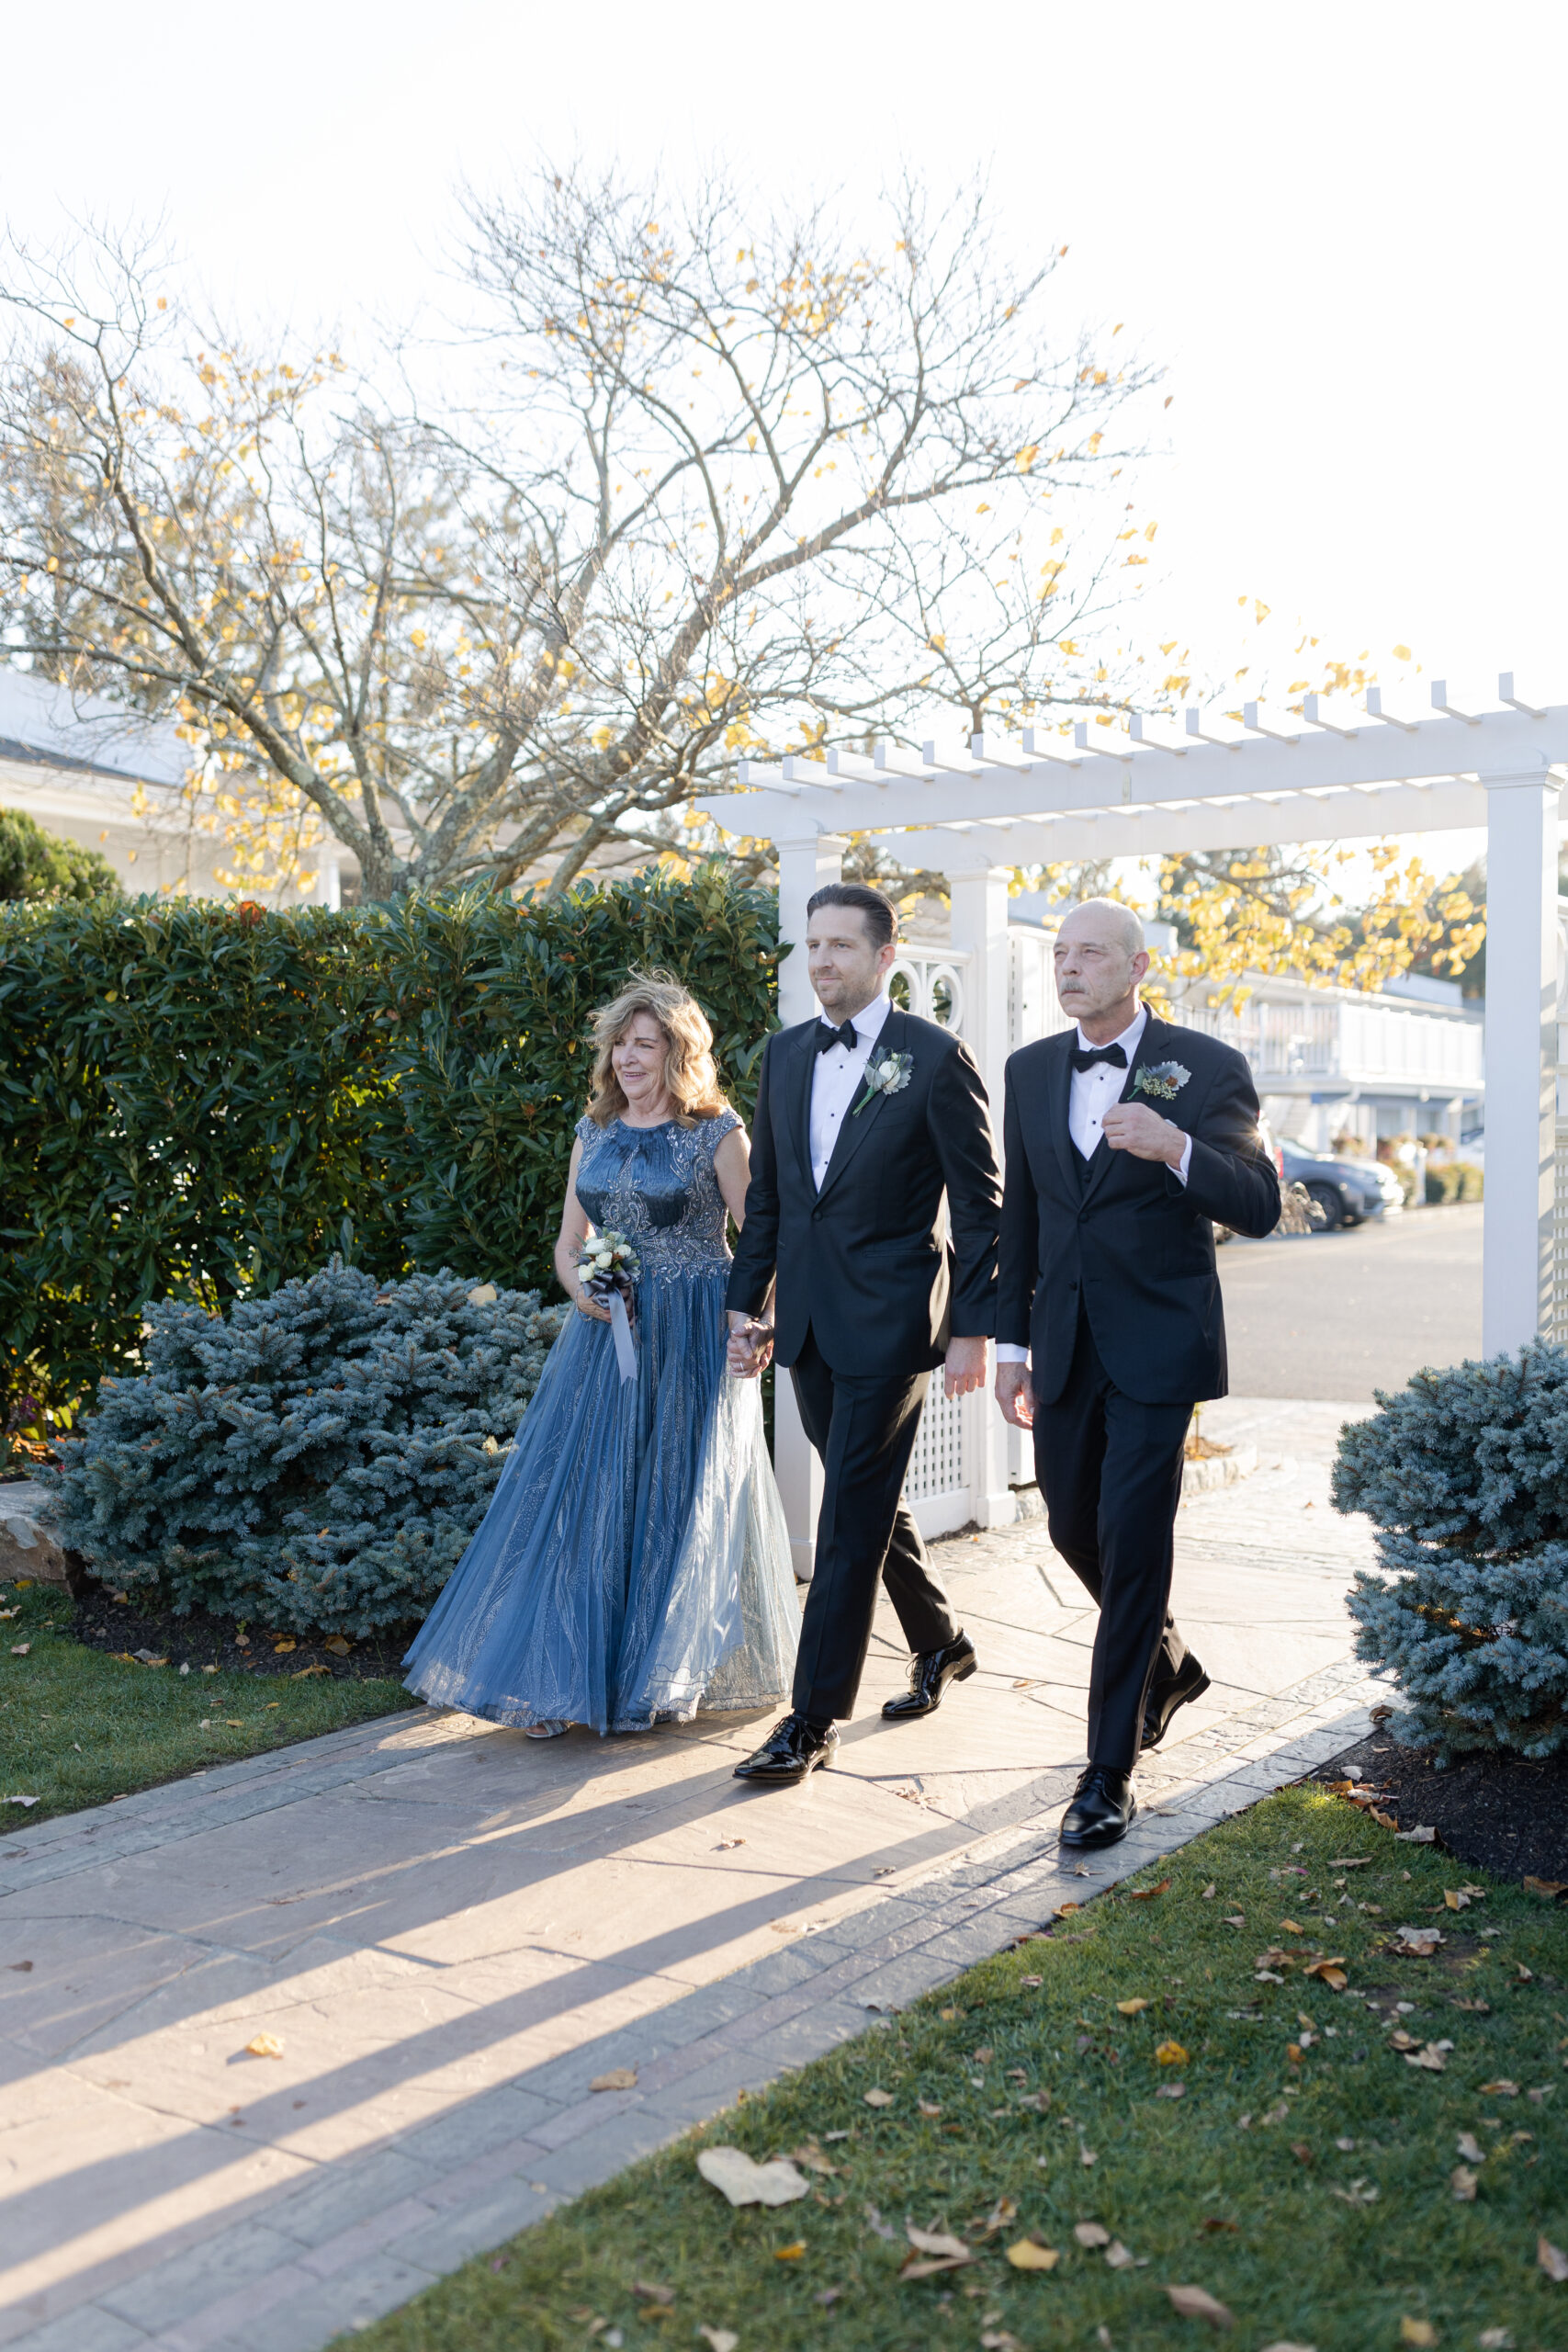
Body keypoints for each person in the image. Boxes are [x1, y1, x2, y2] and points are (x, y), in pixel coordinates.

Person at [403, 972, 798, 1736]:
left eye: (645, 1043)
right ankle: (573, 1670)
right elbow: (567, 1242)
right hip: (605, 1334)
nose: (627, 1056)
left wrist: (758, 1322)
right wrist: (581, 1290)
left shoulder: (716, 1133)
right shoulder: (593, 1131)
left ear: (677, 1053)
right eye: (620, 1042)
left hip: (691, 1334)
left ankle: (663, 1671)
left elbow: (762, 1236)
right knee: (589, 1490)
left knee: (678, 1496)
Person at [994, 899, 1280, 1848]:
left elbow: (1260, 1204)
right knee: (1074, 1525)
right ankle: (1168, 1663)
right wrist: (1010, 1344)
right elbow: (1022, 1222)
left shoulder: (1208, 1067)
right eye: (1059, 954)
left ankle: (1106, 1771)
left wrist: (1176, 1147)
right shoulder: (1031, 1069)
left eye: (1088, 953)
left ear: (1138, 965)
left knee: (1133, 1537)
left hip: (1161, 1344)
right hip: (1065, 1340)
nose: (1068, 968)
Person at [724, 882, 1003, 1785]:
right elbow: (769, 1197)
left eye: (841, 946)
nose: (822, 963)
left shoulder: (933, 1054)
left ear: (886, 957)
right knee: (867, 1494)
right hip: (805, 1322)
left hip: (893, 1324)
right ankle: (941, 1640)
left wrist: (972, 1328)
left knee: (844, 1519)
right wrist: (748, 1302)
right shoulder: (781, 1054)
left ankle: (808, 1720)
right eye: (812, 946)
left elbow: (982, 1204)